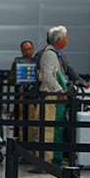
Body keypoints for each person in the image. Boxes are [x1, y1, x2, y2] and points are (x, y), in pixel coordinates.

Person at [36, 25, 77, 166]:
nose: (67, 41)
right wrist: (59, 90)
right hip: (50, 96)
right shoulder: (49, 54)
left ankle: (55, 156)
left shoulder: (55, 54)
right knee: (49, 128)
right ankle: (48, 159)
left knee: (56, 127)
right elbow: (47, 75)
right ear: (58, 39)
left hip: (56, 96)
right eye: (65, 38)